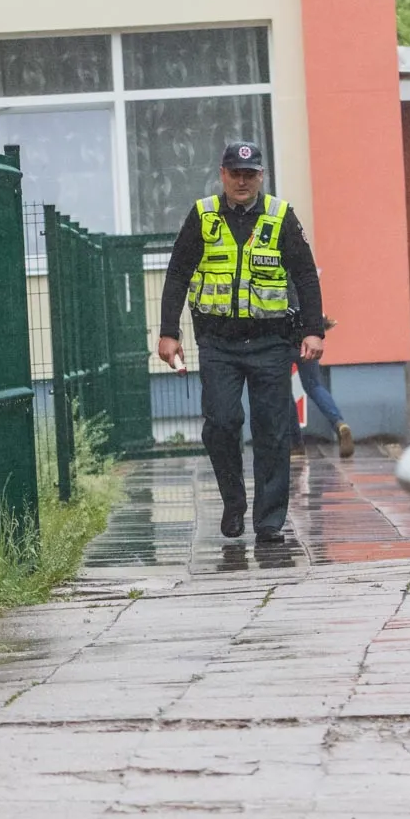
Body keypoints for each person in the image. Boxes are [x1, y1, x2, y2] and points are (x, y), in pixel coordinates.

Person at [156, 142, 325, 544]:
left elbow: (305, 275)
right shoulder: (203, 216)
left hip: (270, 343)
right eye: (235, 174)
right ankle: (234, 502)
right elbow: (178, 273)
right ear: (223, 175)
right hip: (218, 344)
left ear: (261, 176)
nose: (242, 181)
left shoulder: (281, 216)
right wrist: (168, 332)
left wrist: (313, 330)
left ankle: (269, 521)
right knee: (221, 423)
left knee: (272, 430)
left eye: (250, 174)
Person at [295, 317, 354, 458]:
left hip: (283, 336)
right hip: (306, 334)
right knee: (314, 385)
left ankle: (294, 444)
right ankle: (339, 424)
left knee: (281, 387)